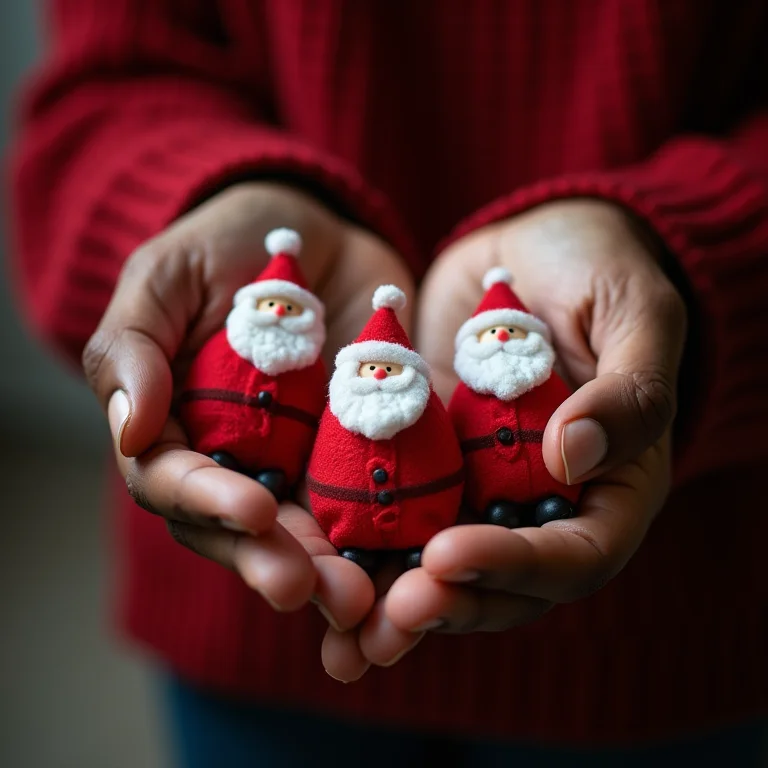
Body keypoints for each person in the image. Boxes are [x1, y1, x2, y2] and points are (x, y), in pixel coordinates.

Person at [8, 2, 767, 766]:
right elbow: (108, 87)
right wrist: (194, 203)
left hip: (672, 636)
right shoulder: (323, 376)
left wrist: (688, 267)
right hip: (254, 630)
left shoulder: (465, 392)